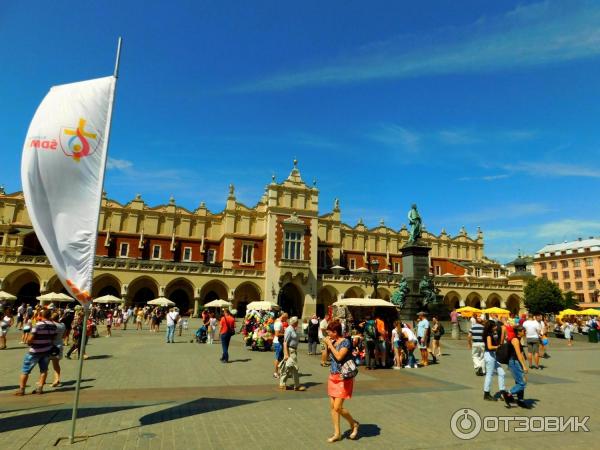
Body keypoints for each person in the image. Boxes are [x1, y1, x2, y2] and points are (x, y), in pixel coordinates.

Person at [323, 320, 359, 442]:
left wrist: (330, 344)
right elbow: (325, 358)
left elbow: (339, 357)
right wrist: (326, 346)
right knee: (333, 407)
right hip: (333, 376)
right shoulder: (331, 341)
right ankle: (337, 433)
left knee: (338, 407)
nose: (327, 334)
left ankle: (354, 423)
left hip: (343, 377)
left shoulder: (345, 342)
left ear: (335, 332)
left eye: (329, 332)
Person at [15, 308, 58, 396]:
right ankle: (40, 388)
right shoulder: (54, 326)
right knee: (44, 370)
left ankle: (21, 390)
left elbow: (30, 339)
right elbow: (53, 338)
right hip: (46, 351)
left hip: (34, 351)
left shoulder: (38, 325)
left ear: (41, 315)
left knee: (25, 371)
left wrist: (28, 342)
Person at [503, 325, 530, 408]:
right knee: (522, 383)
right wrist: (524, 366)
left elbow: (521, 354)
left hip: (516, 362)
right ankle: (508, 393)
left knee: (519, 382)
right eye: (523, 331)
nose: (525, 332)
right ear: (519, 332)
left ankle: (520, 400)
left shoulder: (519, 339)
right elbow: (518, 354)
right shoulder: (515, 340)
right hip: (514, 362)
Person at [279, 316, 306, 391]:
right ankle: (297, 386)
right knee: (294, 367)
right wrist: (286, 354)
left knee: (288, 367)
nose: (298, 323)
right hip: (290, 351)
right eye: (297, 322)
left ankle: (282, 384)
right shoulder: (289, 330)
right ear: (295, 322)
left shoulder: (293, 329)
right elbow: (285, 342)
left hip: (293, 350)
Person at [482, 320, 506, 401]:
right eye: (495, 326)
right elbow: (489, 347)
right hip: (489, 355)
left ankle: (502, 391)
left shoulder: (492, 334)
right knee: (489, 374)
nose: (496, 327)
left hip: (493, 355)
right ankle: (486, 393)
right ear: (491, 327)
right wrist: (498, 347)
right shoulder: (488, 335)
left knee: (502, 373)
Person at [49, 312, 65, 387]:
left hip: (51, 346)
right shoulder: (62, 325)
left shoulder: (53, 326)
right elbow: (64, 335)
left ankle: (54, 380)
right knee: (56, 364)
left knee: (46, 363)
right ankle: (57, 379)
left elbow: (52, 337)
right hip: (59, 344)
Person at [272, 313, 287, 377]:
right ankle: (275, 372)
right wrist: (286, 333)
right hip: (278, 342)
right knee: (278, 358)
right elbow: (277, 334)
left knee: (280, 358)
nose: (286, 320)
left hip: (278, 342)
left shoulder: (278, 321)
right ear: (283, 317)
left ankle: (279, 371)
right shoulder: (278, 323)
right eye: (286, 318)